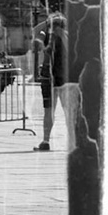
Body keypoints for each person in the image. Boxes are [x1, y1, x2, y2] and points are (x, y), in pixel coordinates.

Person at [33, 15, 71, 152]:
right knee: (66, 110)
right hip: (61, 77)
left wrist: (46, 23)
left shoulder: (49, 36)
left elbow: (35, 32)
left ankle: (46, 140)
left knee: (49, 110)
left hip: (50, 76)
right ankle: (71, 140)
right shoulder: (65, 36)